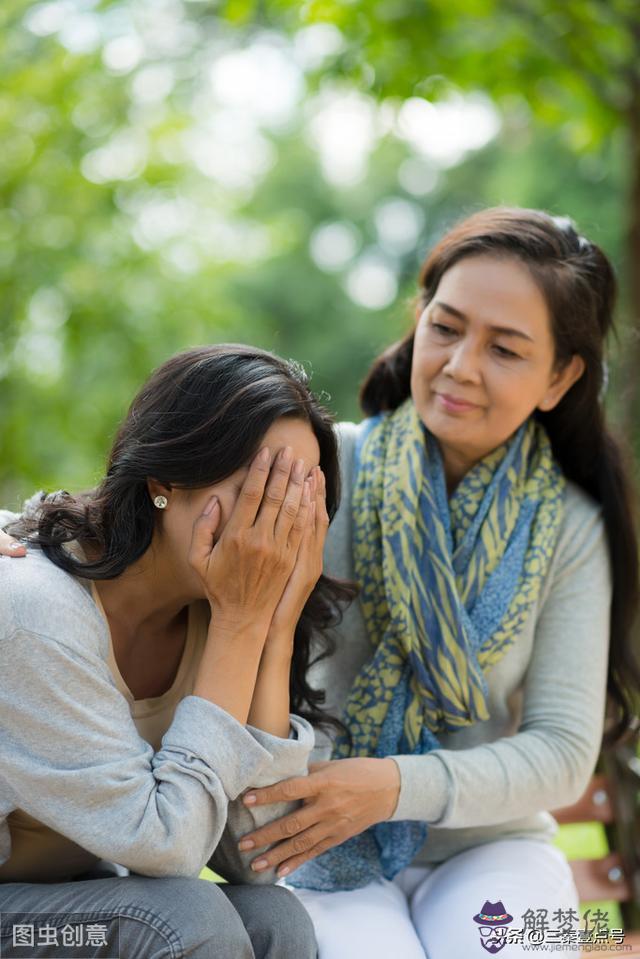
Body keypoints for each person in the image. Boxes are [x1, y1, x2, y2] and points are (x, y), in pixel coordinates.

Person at [215, 209, 640, 958]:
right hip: (315, 840)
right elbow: (153, 518)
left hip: (490, 848)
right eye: (445, 328)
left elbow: (564, 751)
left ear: (561, 377)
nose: (460, 365)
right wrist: (28, 531)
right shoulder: (321, 469)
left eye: (505, 349)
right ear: (419, 321)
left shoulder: (571, 527)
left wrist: (393, 783)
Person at [0, 342, 356, 958]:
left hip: (73, 898)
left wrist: (272, 630)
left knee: (276, 919)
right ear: (166, 477)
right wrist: (243, 623)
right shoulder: (36, 610)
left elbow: (257, 858)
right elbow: (169, 846)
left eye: (297, 501)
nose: (272, 531)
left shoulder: (215, 616)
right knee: (182, 917)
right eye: (259, 492)